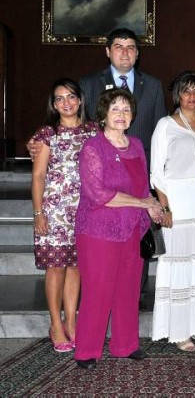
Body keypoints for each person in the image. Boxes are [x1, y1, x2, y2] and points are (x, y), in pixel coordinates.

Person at [73, 88, 164, 369]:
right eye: (115, 109)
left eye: (126, 109)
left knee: (128, 290)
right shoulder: (93, 148)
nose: (122, 114)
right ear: (102, 115)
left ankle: (126, 345)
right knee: (97, 290)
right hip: (99, 232)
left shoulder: (136, 144)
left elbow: (141, 186)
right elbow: (97, 194)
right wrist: (142, 201)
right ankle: (87, 351)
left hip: (132, 230)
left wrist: (151, 207)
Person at [150, 72, 195, 351]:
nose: (192, 97)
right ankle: (180, 331)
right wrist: (164, 206)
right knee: (180, 265)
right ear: (177, 96)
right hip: (179, 204)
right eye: (186, 92)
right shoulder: (165, 125)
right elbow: (156, 172)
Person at [31, 79, 100, 353]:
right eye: (59, 98)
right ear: (54, 104)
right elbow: (37, 177)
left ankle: (72, 322)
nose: (66, 102)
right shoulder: (47, 134)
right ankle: (55, 324)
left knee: (77, 268)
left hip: (85, 211)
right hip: (55, 212)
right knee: (56, 268)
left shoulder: (94, 131)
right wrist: (38, 213)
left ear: (80, 100)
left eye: (70, 96)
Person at [77, 27, 167, 164]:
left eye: (130, 48)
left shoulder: (153, 85)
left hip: (141, 162)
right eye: (119, 47)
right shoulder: (89, 83)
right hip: (101, 162)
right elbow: (77, 124)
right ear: (108, 51)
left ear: (137, 53)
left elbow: (161, 130)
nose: (125, 53)